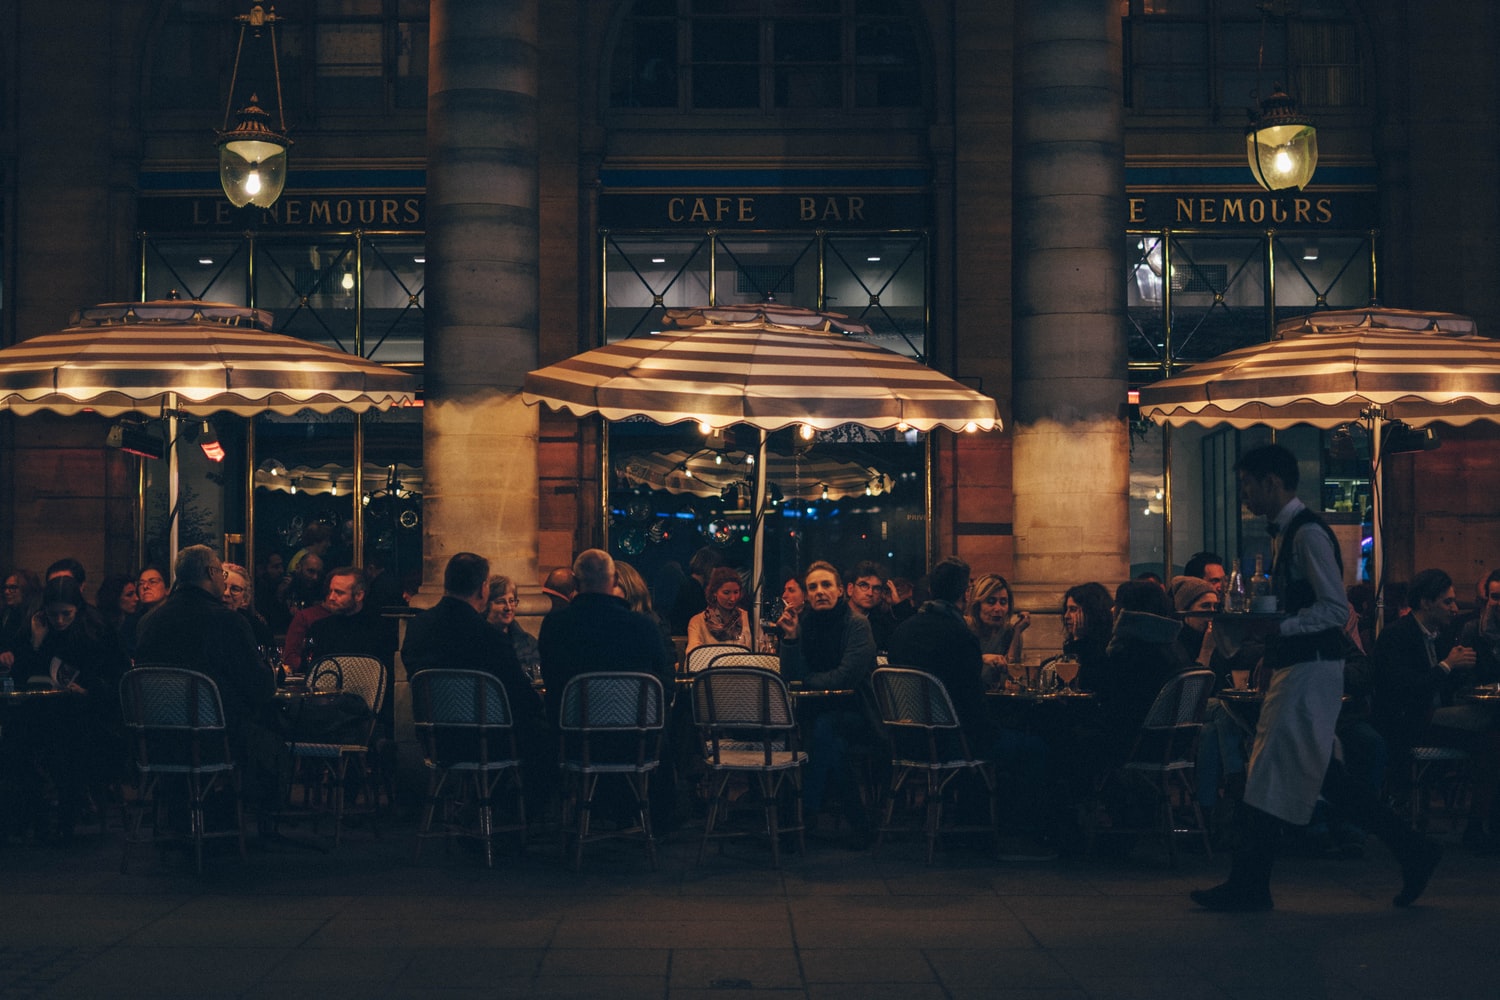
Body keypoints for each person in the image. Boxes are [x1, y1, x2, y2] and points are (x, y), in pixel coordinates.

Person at [1192, 444, 1442, 912]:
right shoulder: (1293, 533)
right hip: (1305, 669)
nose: (1243, 494)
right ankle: (1409, 850)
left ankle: (1252, 883)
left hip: (1309, 671)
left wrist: (1278, 627)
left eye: (1247, 484)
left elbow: (1331, 607)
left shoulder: (1305, 536)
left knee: (1280, 770)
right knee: (1306, 773)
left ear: (1271, 482)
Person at [132, 545, 279, 812]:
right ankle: (247, 821)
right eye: (221, 574)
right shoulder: (226, 622)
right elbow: (259, 687)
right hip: (214, 739)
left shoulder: (149, 621)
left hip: (157, 738)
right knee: (272, 738)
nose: (224, 583)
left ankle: (180, 819)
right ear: (211, 572)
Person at [1372, 567, 1497, 848]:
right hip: (1407, 722)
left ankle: (1479, 826)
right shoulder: (1397, 636)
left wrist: (1466, 671)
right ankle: (1479, 828)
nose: (1454, 608)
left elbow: (1448, 686)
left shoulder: (1441, 636)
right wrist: (1447, 666)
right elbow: (1402, 689)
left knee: (1491, 741)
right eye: (1447, 601)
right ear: (1426, 602)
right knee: (1489, 727)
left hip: (1436, 721)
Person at [9, 575, 130, 841]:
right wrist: (37, 642)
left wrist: (88, 690)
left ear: (78, 610)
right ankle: (34, 815)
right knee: (18, 740)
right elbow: (24, 673)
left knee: (66, 742)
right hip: (49, 710)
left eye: (67, 614)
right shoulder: (41, 628)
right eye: (54, 615)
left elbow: (117, 677)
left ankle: (63, 818)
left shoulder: (97, 631)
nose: (60, 621)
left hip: (93, 714)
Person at [777, 560, 879, 845]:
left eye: (826, 585)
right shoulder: (804, 623)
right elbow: (790, 677)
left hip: (858, 712)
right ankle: (858, 823)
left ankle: (803, 816)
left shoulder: (857, 625)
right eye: (813, 587)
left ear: (839, 591)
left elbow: (845, 678)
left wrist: (808, 681)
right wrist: (791, 639)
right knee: (830, 742)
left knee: (824, 731)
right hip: (813, 713)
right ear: (807, 595)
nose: (820, 591)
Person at [539, 549, 673, 726]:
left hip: (574, 736)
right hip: (635, 738)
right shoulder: (643, 626)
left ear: (576, 584)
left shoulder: (555, 625)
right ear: (616, 579)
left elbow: (552, 681)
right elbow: (663, 684)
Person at [966, 573, 1030, 687]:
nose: (998, 608)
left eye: (1003, 602)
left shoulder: (1009, 632)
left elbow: (1011, 675)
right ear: (978, 604)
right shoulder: (965, 627)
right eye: (991, 601)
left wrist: (1017, 633)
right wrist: (982, 658)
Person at [613, 561, 677, 673]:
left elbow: (667, 668)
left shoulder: (652, 623)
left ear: (628, 587)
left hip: (646, 688)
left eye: (613, 585)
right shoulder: (603, 622)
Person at [1057, 582, 1113, 693]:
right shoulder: (1072, 643)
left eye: (1073, 610)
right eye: (1066, 610)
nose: (1066, 616)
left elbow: (1085, 684)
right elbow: (1064, 683)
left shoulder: (1107, 646)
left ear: (1091, 612)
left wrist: (1079, 640)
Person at [487, 573, 541, 679]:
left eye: (511, 601)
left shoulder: (528, 641)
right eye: (501, 602)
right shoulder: (480, 640)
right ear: (486, 605)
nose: (508, 608)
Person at [686, 565, 750, 651]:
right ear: (714, 592)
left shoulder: (747, 618)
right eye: (726, 593)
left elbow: (760, 648)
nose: (733, 598)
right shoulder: (698, 622)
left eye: (736, 592)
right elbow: (693, 654)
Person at [845, 559, 897, 652]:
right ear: (850, 588)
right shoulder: (837, 617)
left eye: (876, 588)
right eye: (864, 585)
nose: (870, 593)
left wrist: (897, 604)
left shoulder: (883, 624)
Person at [119, 563, 169, 656]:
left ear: (167, 589)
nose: (145, 586)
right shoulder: (132, 621)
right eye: (141, 583)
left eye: (153, 582)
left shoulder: (174, 617)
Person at [221, 562, 274, 649]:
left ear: (244, 599)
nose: (226, 593)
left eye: (235, 589)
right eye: (223, 586)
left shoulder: (256, 628)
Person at [2, 568, 43, 672]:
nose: (6, 592)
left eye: (13, 588)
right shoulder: (7, 613)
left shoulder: (37, 617)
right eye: (5, 587)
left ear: (27, 590)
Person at [95, 573, 139, 638]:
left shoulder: (136, 622)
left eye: (136, 593)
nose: (137, 598)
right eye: (129, 595)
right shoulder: (100, 625)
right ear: (115, 597)